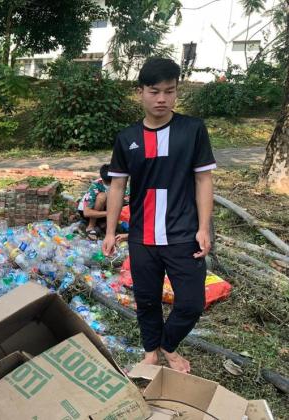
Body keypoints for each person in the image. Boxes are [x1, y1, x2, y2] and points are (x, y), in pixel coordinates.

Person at [102, 58, 216, 373]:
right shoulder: (127, 138)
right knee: (147, 299)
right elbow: (117, 186)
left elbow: (203, 180)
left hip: (183, 233)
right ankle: (151, 351)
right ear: (140, 92)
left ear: (177, 91)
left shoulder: (192, 130)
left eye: (170, 91)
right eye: (154, 91)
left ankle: (168, 345)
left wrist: (204, 228)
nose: (162, 99)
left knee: (192, 303)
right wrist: (110, 231)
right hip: (142, 235)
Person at [77, 164, 130, 240]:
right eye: (109, 183)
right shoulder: (96, 186)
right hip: (88, 213)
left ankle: (104, 224)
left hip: (104, 211)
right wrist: (111, 213)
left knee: (118, 198)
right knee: (102, 196)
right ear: (102, 179)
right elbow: (87, 213)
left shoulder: (120, 183)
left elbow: (127, 199)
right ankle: (91, 226)